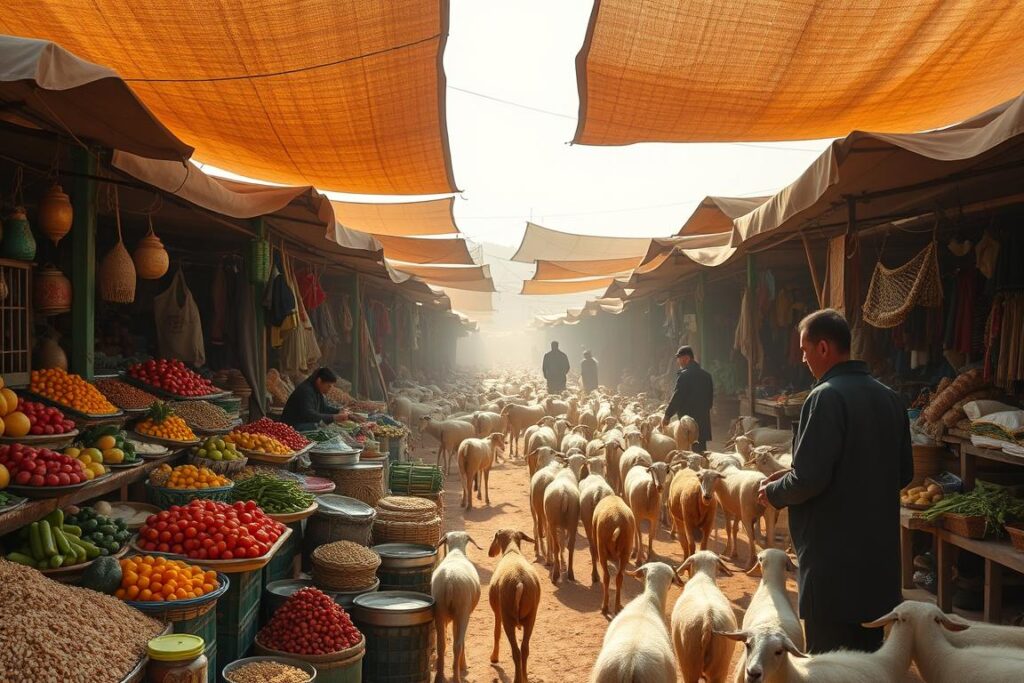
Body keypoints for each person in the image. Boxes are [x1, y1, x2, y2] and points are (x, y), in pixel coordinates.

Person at [758, 309, 913, 654]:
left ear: (824, 348)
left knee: (829, 664)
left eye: (804, 349)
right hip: (877, 571)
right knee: (867, 665)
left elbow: (810, 479)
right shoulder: (890, 398)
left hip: (833, 571)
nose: (802, 358)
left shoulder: (825, 396)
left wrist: (774, 492)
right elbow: (904, 474)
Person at [661, 346, 714, 451]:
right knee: (700, 452)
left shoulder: (684, 376)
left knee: (686, 453)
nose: (678, 362)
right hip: (702, 420)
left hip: (687, 421)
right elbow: (710, 401)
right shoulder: (707, 376)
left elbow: (677, 397)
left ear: (687, 358)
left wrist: (667, 415)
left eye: (679, 358)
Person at [280, 367, 345, 431]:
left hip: (302, 424)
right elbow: (310, 415)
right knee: (321, 427)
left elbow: (323, 408)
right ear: (319, 381)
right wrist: (333, 417)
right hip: (292, 428)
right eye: (329, 386)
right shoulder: (306, 391)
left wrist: (338, 411)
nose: (329, 389)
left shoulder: (317, 390)